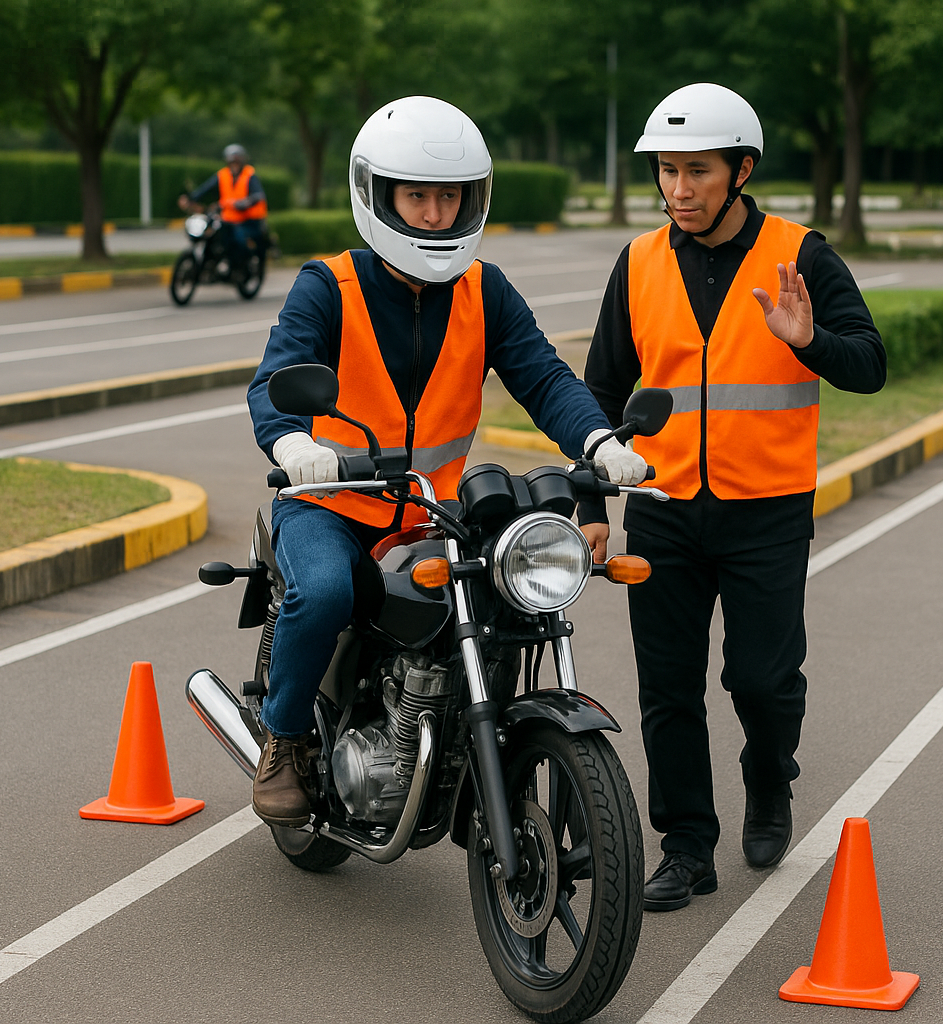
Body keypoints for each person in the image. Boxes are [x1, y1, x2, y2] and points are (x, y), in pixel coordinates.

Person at [246, 95, 648, 826]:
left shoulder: (483, 289)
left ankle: (459, 739)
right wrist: (293, 443)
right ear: (379, 196)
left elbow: (545, 376)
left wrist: (600, 443)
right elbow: (275, 375)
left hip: (429, 508)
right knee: (329, 592)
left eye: (448, 198)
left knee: (506, 594)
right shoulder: (328, 285)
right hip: (329, 506)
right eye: (417, 196)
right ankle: (286, 736)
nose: (434, 214)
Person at [579, 83, 886, 911]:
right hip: (664, 511)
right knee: (667, 689)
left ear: (741, 171)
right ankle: (685, 845)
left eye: (698, 172)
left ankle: (768, 775)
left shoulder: (802, 255)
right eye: (668, 172)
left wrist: (810, 339)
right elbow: (600, 389)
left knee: (762, 679)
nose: (679, 189)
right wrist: (590, 504)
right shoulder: (638, 262)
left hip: (767, 512)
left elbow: (870, 364)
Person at [178, 143, 267, 273]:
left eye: (237, 161)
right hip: (227, 218)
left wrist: (244, 203)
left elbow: (258, 195)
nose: (234, 164)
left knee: (239, 241)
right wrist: (190, 198)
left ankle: (239, 266)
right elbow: (204, 189)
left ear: (242, 161)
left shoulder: (250, 175)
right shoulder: (222, 175)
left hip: (246, 220)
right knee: (212, 232)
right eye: (231, 161)